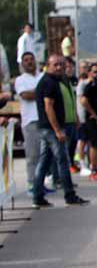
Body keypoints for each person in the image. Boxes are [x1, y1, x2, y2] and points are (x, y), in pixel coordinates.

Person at [31, 55, 88, 208]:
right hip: (50, 129)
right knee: (63, 160)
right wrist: (57, 130)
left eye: (61, 64)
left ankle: (37, 196)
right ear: (48, 66)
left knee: (44, 162)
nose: (59, 67)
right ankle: (70, 195)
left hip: (48, 128)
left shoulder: (56, 81)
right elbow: (48, 107)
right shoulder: (49, 82)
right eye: (55, 65)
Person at [14, 52, 50, 197]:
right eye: (26, 60)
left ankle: (40, 184)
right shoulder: (20, 80)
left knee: (45, 155)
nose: (29, 62)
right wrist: (41, 93)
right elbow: (25, 96)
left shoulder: (43, 76)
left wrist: (38, 93)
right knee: (33, 155)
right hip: (30, 121)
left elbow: (51, 93)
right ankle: (31, 184)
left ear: (36, 61)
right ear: (22, 64)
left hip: (46, 120)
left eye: (31, 59)